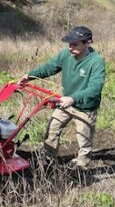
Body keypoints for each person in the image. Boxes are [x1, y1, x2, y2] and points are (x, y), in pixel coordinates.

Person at [19, 26, 105, 167]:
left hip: (85, 107)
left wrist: (73, 98)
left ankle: (82, 166)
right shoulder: (66, 55)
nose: (70, 47)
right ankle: (48, 158)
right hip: (66, 102)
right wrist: (30, 76)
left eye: (75, 44)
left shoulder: (96, 61)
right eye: (69, 43)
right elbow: (49, 67)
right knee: (52, 128)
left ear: (87, 43)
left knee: (84, 138)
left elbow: (95, 88)